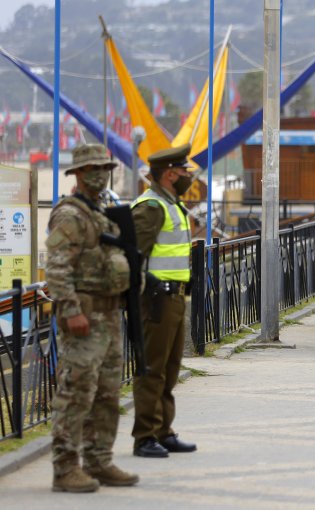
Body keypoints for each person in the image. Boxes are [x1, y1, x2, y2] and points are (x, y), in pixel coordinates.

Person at [46, 144, 140, 492]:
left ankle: (99, 461)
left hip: (108, 313)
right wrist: (70, 311)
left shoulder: (99, 212)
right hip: (83, 318)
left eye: (103, 167)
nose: (99, 173)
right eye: (92, 168)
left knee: (106, 393)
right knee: (76, 392)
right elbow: (57, 268)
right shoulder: (70, 215)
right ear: (79, 174)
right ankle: (66, 468)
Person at [131, 144, 198, 457]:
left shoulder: (171, 203)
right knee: (152, 369)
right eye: (184, 171)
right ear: (170, 173)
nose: (188, 175)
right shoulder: (151, 207)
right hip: (156, 299)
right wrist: (148, 289)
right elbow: (134, 257)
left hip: (175, 296)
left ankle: (163, 430)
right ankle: (145, 436)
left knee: (170, 368)